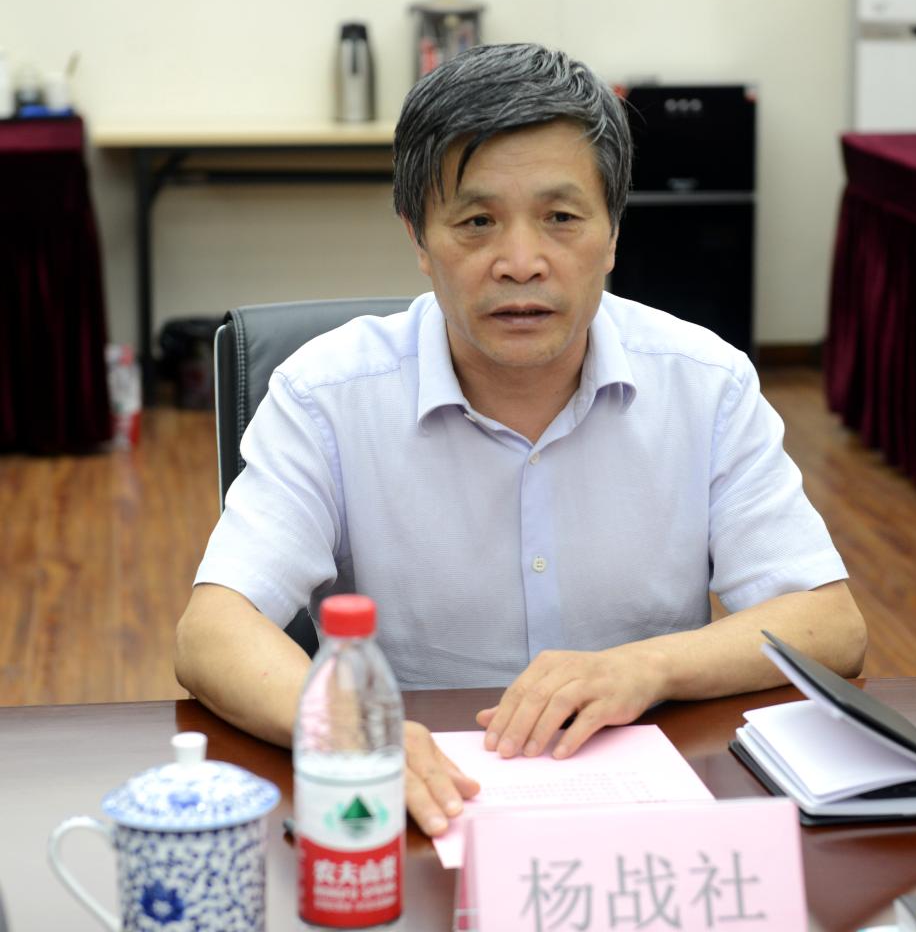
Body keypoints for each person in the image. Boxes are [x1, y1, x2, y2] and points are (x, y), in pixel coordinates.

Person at [175, 42, 866, 837]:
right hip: (419, 811)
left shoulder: (705, 383)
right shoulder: (325, 396)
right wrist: (349, 731)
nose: (521, 262)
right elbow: (213, 633)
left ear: (613, 233)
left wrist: (649, 666)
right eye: (477, 222)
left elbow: (829, 625)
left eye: (561, 219)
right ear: (419, 238)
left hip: (644, 823)